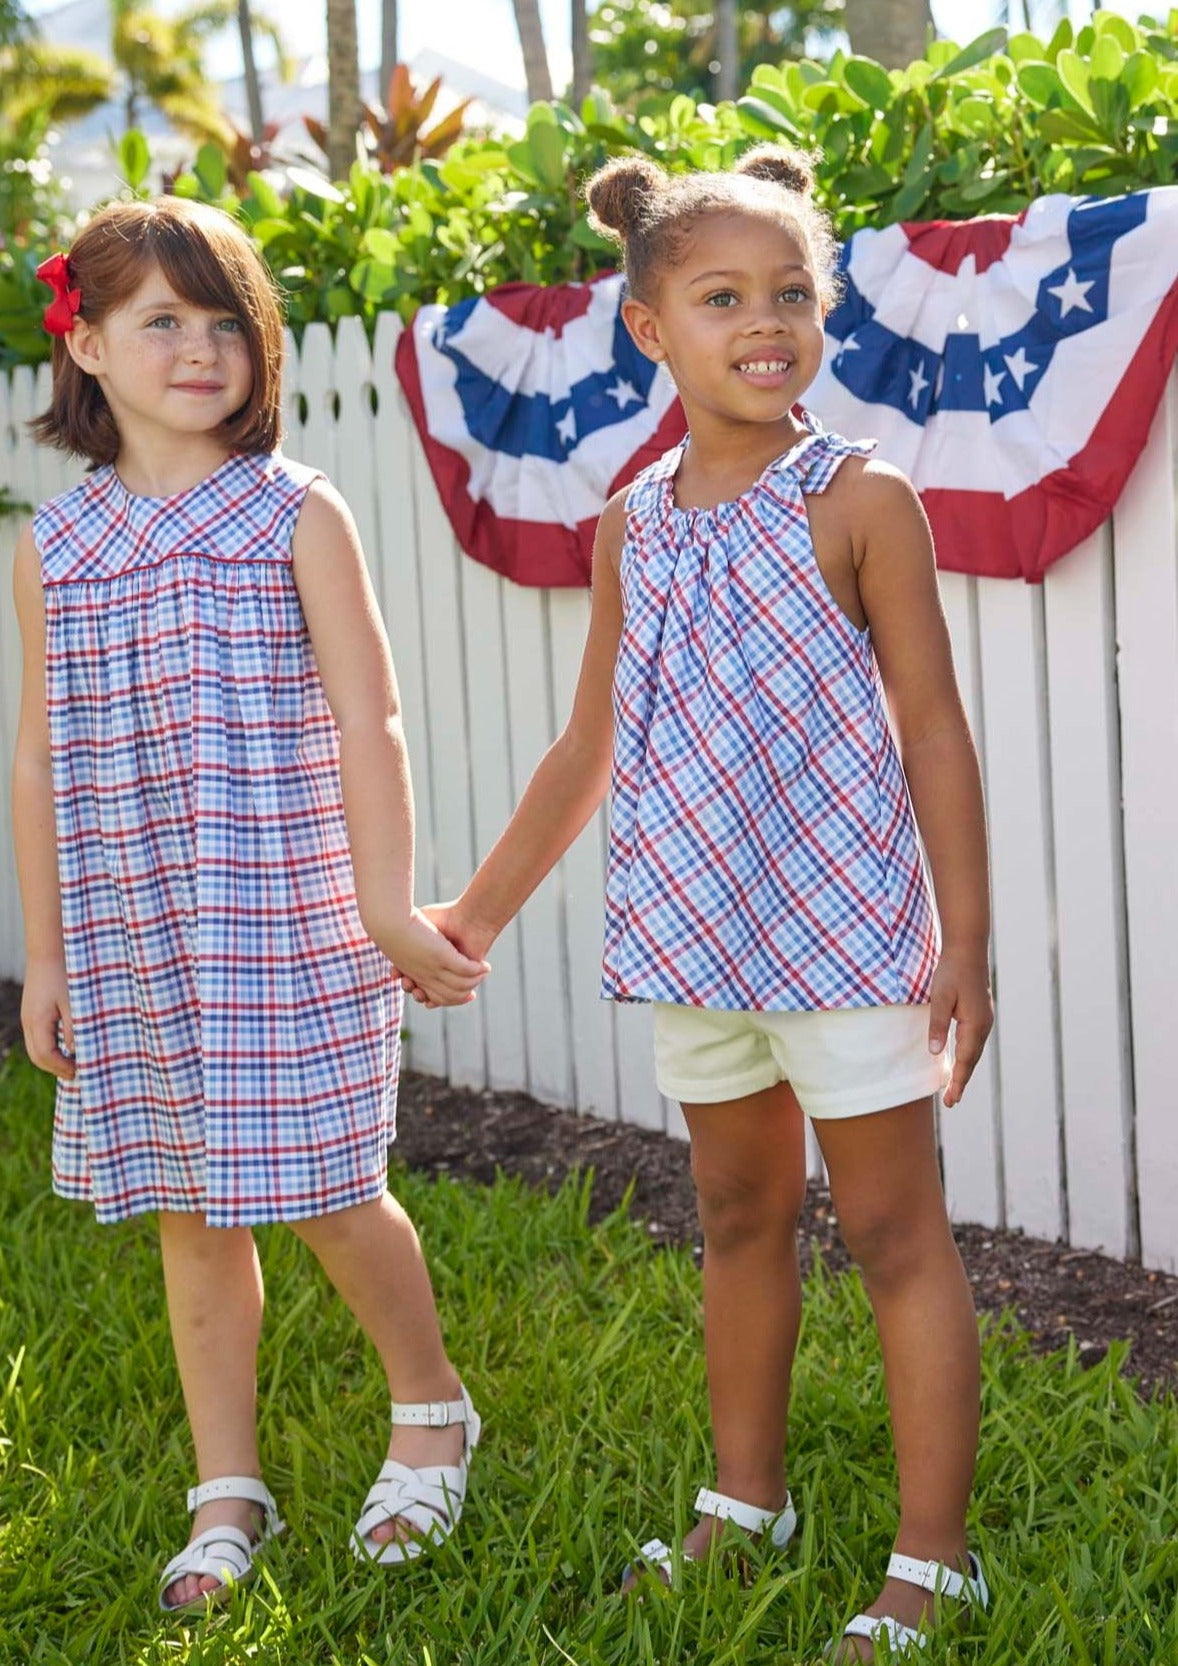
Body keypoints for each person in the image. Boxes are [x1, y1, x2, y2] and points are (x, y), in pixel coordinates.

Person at [403, 147, 994, 1660]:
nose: (765, 321)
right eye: (721, 295)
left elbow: (932, 725)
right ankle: (748, 1502)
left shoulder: (860, 498)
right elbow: (589, 745)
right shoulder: (631, 524)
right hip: (693, 939)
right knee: (735, 1212)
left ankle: (934, 1556)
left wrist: (965, 938)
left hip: (844, 942)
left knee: (890, 1227)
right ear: (648, 325)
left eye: (791, 292)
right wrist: (468, 915)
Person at [12, 198, 490, 1616]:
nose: (201, 347)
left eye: (226, 321)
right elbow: (38, 755)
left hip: (283, 909)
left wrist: (385, 902)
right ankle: (227, 1483)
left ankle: (430, 1403)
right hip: (132, 922)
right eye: (162, 320)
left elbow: (371, 718)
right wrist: (47, 955)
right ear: (86, 344)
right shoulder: (58, 544)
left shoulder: (293, 509)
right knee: (184, 1203)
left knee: (334, 1188)